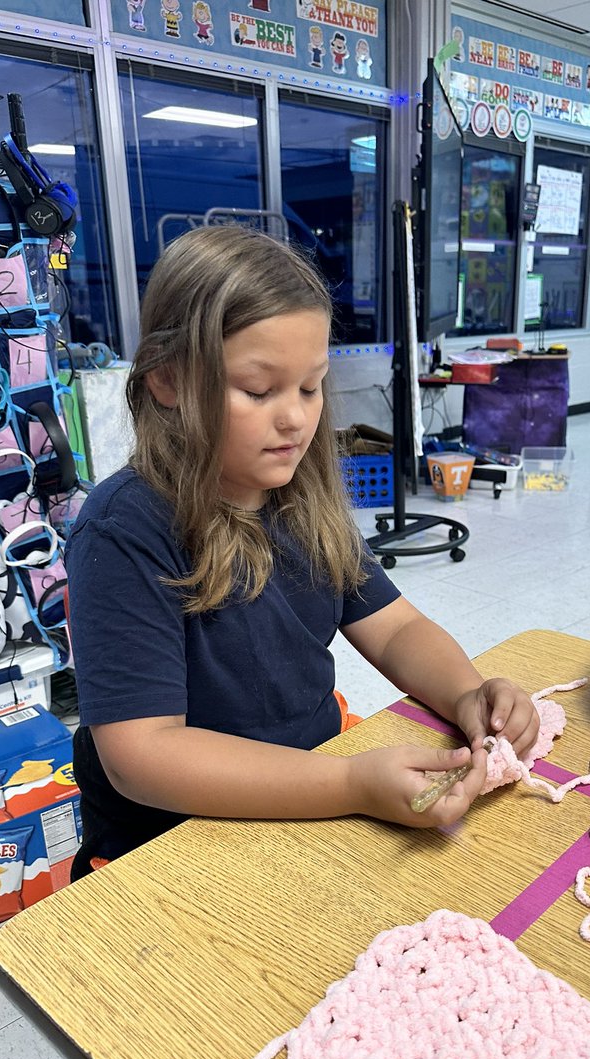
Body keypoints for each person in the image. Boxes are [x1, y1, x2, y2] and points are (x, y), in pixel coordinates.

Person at [66, 226, 539, 880]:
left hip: (311, 793)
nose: (295, 419)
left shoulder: (304, 497)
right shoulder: (124, 529)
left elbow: (395, 628)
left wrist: (466, 696)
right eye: (259, 391)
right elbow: (142, 755)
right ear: (169, 381)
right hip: (168, 845)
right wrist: (350, 784)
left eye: (310, 387)